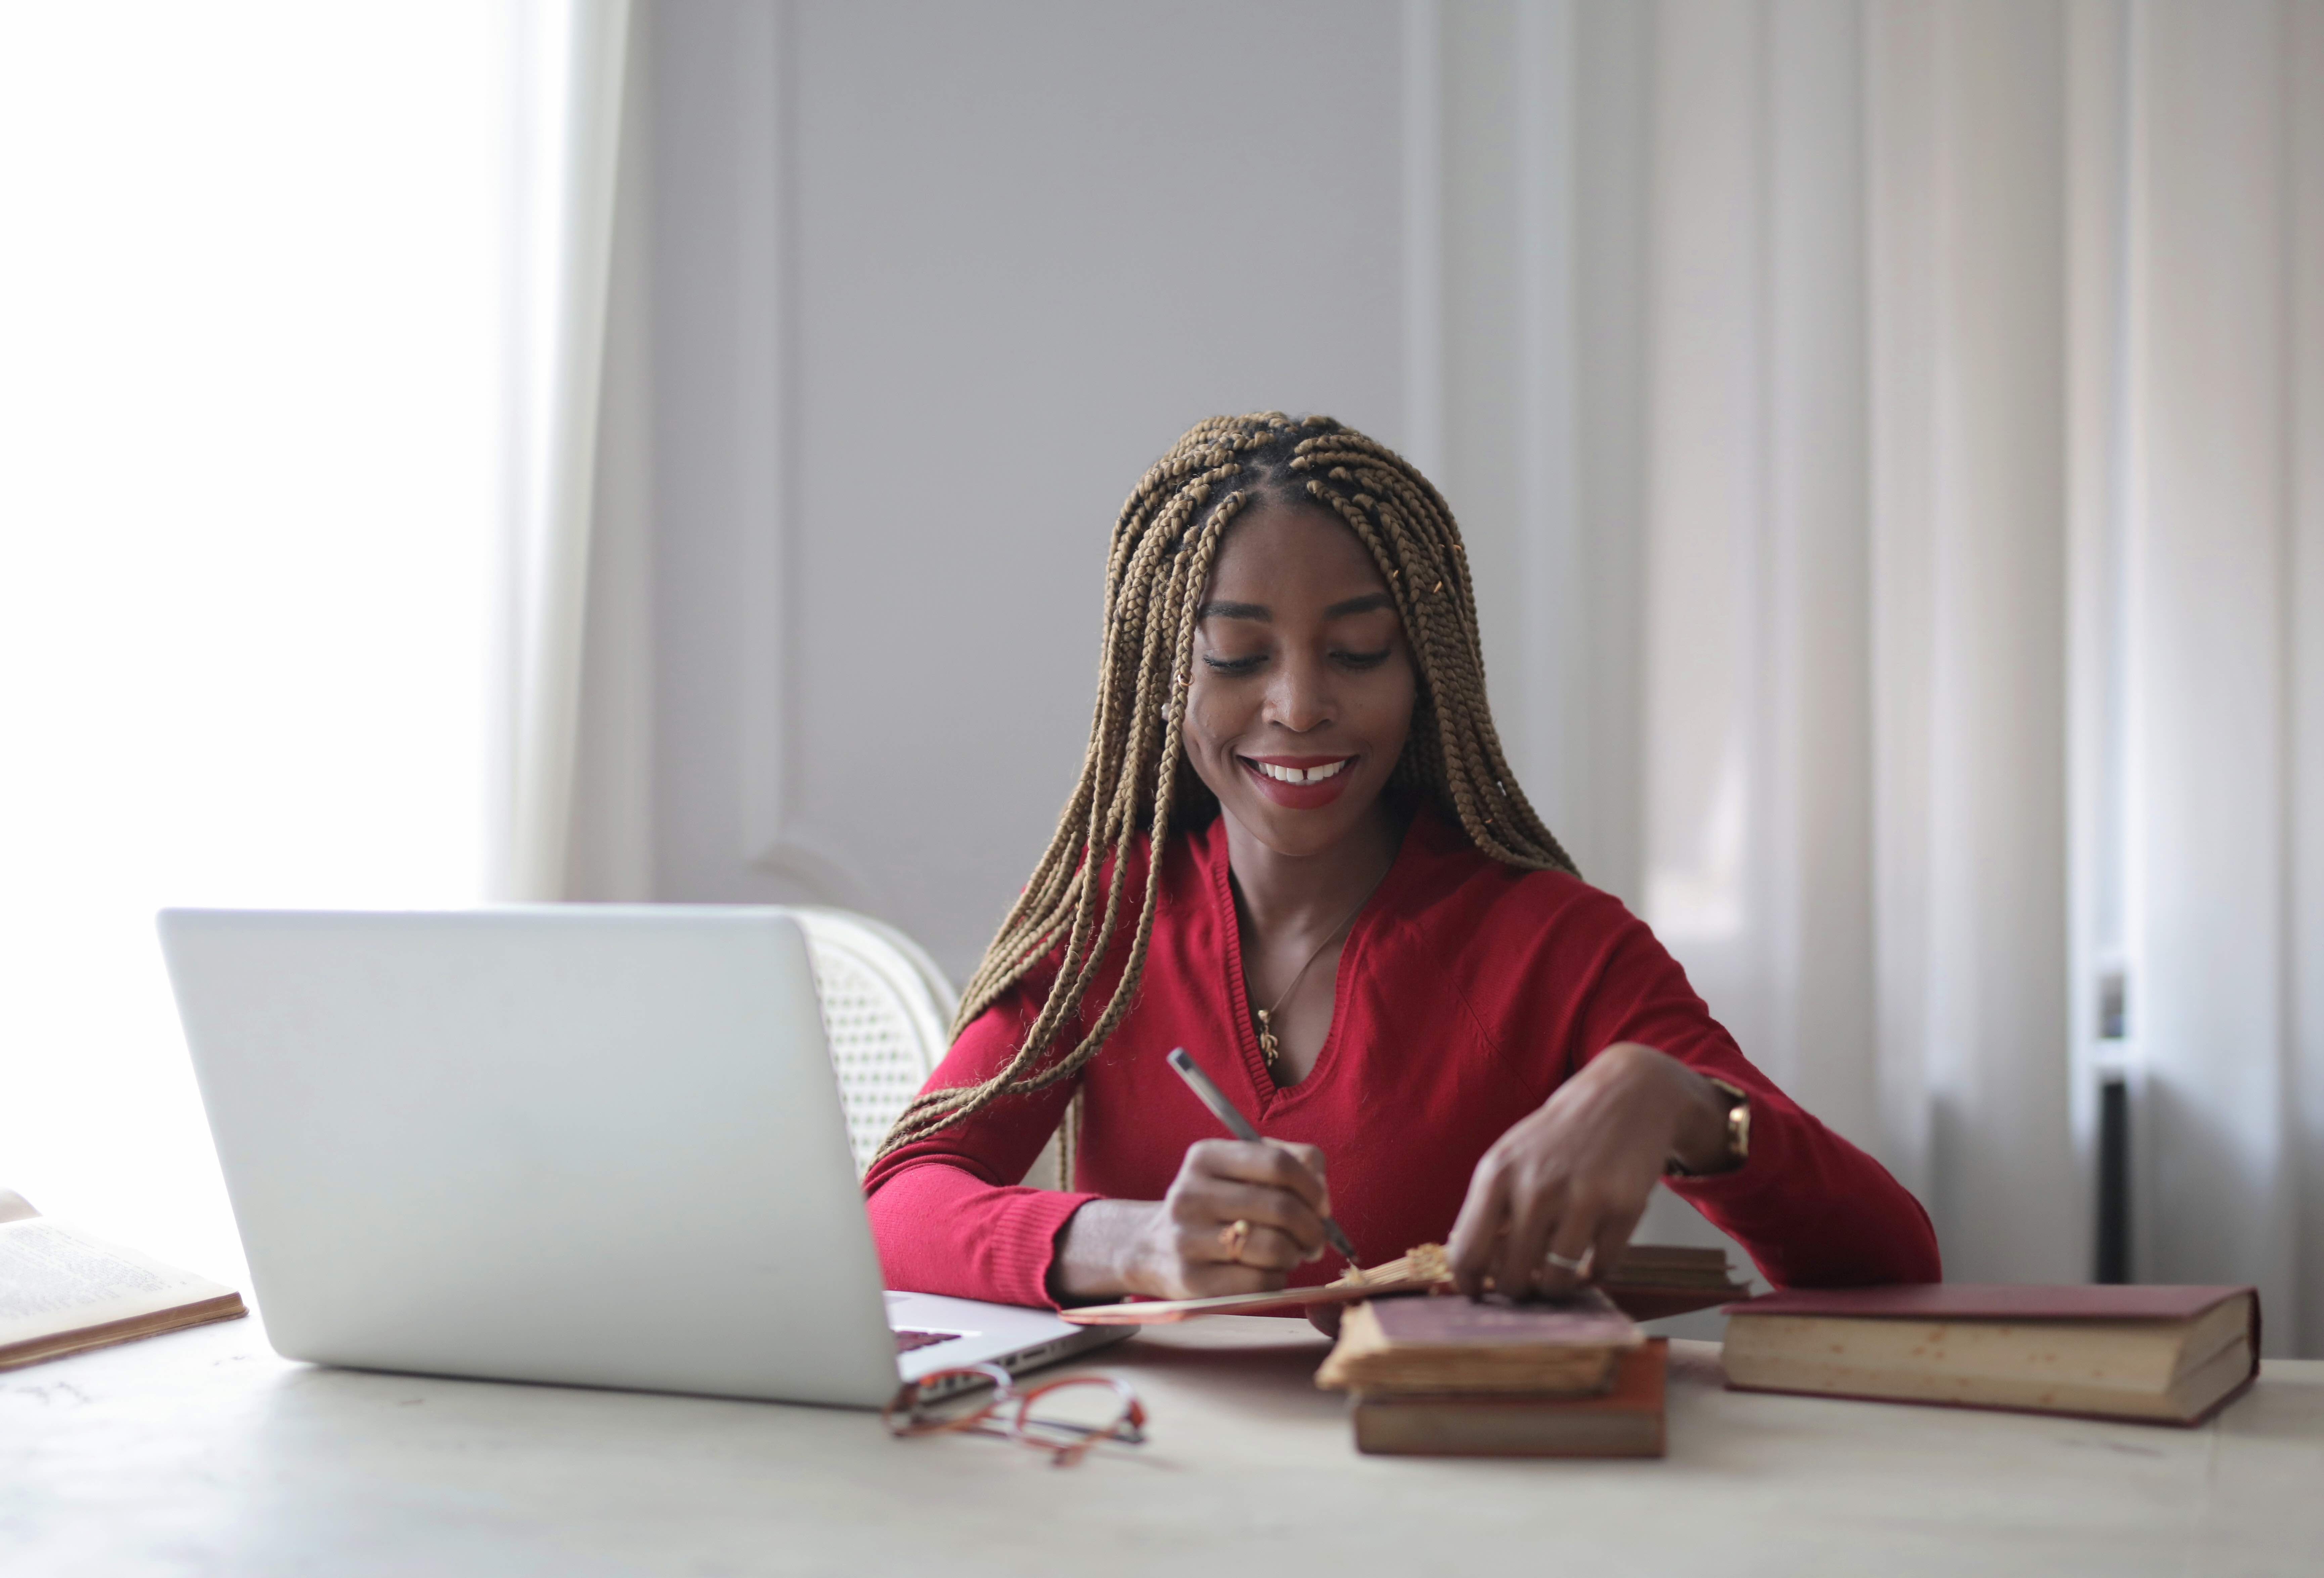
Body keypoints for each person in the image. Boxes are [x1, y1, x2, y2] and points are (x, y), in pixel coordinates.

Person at [865, 412, 1940, 1308]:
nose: (1297, 704)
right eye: (1238, 656)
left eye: (1358, 652)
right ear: (1161, 675)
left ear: (1426, 672)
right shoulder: (1106, 919)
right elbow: (895, 1206)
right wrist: (1131, 1244)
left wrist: (1682, 1103)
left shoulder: (1551, 943)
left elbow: (1893, 1261)